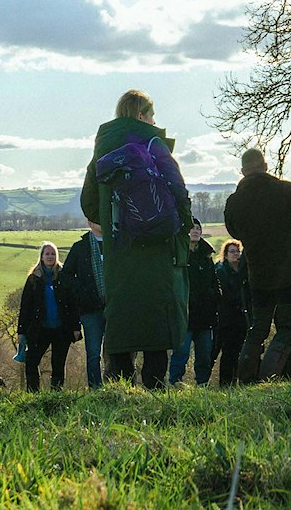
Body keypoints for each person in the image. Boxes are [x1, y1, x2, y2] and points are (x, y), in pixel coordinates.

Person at [80, 89, 192, 390]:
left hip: (120, 249)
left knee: (123, 319)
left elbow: (88, 202)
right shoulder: (154, 143)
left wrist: (109, 219)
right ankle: (155, 388)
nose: (154, 121)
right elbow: (179, 193)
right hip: (157, 249)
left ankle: (119, 388)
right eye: (151, 115)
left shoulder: (103, 148)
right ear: (142, 115)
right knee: (156, 320)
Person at [222, 141, 291, 383]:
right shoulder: (283, 190)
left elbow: (235, 231)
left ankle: (246, 378)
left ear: (242, 172)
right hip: (290, 273)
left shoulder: (234, 201)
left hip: (258, 276)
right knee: (286, 329)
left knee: (257, 330)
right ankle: (267, 378)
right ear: (265, 166)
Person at [17, 242, 78, 391]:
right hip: (39, 329)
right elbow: (25, 306)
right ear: (42, 257)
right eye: (47, 254)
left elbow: (74, 304)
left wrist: (76, 327)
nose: (50, 257)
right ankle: (33, 395)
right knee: (31, 362)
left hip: (61, 329)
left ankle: (56, 396)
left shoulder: (65, 276)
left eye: (53, 254)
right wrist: (21, 330)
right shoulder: (33, 278)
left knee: (58, 365)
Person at [57, 221, 108, 389]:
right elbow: (65, 276)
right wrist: (83, 290)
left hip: (114, 308)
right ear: (89, 223)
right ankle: (95, 389)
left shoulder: (116, 243)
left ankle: (115, 387)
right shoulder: (80, 247)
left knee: (117, 352)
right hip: (90, 310)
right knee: (93, 354)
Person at [170, 219, 219, 386]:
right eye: (192, 228)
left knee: (204, 354)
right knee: (181, 353)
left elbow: (214, 282)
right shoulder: (179, 255)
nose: (196, 231)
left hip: (205, 315)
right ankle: (175, 383)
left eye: (198, 228)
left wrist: (214, 298)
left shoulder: (206, 256)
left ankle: (203, 384)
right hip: (185, 314)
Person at [212, 240, 249, 386]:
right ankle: (225, 383)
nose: (236, 254)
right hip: (226, 317)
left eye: (238, 251)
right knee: (226, 351)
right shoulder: (221, 271)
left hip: (241, 317)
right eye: (232, 251)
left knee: (239, 350)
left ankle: (235, 381)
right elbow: (226, 294)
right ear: (225, 255)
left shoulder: (244, 271)